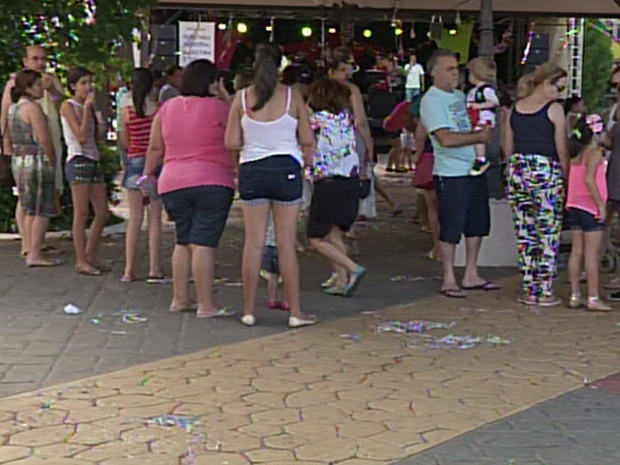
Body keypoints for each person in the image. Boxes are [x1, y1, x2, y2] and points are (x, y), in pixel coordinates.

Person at [225, 43, 315, 328]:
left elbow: (230, 142)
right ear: (280, 66)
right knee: (286, 244)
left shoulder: (241, 98)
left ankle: (249, 310)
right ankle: (295, 312)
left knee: (253, 243)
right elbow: (307, 138)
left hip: (252, 169)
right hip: (286, 169)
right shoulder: (292, 96)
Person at [144, 59, 234, 318]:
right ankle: (206, 305)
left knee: (183, 240)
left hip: (173, 182)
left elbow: (156, 147)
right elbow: (235, 138)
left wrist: (147, 173)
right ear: (211, 82)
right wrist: (225, 96)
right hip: (213, 180)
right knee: (204, 243)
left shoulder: (167, 108)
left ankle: (179, 299)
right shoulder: (219, 108)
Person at [420, 49, 495, 299]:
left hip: (473, 166)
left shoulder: (462, 96)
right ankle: (449, 276)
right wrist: (478, 137)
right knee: (451, 225)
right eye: (449, 68)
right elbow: (444, 138)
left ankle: (471, 272)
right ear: (434, 72)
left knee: (477, 224)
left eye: (456, 68)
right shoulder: (432, 100)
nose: (456, 73)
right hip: (451, 172)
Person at [503, 62, 569, 306]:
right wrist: (566, 176)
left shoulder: (515, 108)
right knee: (548, 232)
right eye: (558, 88)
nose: (560, 94)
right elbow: (561, 147)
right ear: (546, 83)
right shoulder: (554, 110)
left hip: (518, 169)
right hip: (545, 170)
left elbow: (507, 147)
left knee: (525, 232)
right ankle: (545, 290)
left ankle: (529, 288)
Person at [1, 45, 64, 258]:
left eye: (43, 58)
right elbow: (6, 116)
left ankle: (37, 242)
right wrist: (7, 147)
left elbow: (63, 104)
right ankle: (28, 245)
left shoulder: (49, 80)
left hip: (48, 141)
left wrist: (53, 89)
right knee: (28, 200)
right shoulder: (17, 85)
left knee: (40, 198)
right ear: (25, 60)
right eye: (35, 58)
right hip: (30, 149)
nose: (40, 62)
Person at [306, 77, 366, 297]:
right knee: (335, 233)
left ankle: (352, 268)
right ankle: (342, 280)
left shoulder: (315, 120)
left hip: (327, 181)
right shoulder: (347, 119)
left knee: (316, 237)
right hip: (350, 180)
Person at [61, 67, 110, 276]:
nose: (88, 87)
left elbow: (99, 135)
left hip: (93, 158)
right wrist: (86, 111)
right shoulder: (68, 106)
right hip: (78, 158)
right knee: (81, 212)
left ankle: (90, 254)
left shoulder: (88, 107)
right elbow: (80, 136)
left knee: (102, 212)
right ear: (73, 86)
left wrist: (96, 114)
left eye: (90, 82)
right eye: (83, 83)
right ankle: (81, 259)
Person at [120, 68, 165, 283]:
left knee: (134, 219)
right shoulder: (159, 110)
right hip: (155, 164)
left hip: (134, 161)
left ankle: (128, 270)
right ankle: (154, 268)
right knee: (155, 218)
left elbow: (124, 141)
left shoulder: (126, 111)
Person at [566, 114, 610, 312]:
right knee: (591, 255)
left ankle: (575, 295)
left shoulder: (576, 154)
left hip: (574, 205)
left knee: (577, 251)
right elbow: (590, 180)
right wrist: (600, 204)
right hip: (589, 206)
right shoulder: (595, 153)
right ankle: (593, 296)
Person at [466, 57, 498, 177]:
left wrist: (478, 106)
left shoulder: (486, 90)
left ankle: (481, 159)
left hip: (484, 118)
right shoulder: (473, 91)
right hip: (474, 118)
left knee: (479, 137)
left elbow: (493, 102)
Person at [263, 212, 289, 311]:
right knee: (287, 274)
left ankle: (272, 299)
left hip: (268, 245)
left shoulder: (266, 214)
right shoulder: (285, 215)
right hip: (282, 246)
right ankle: (287, 300)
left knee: (273, 276)